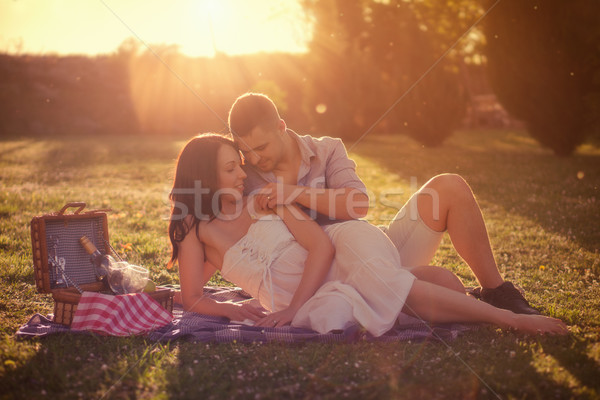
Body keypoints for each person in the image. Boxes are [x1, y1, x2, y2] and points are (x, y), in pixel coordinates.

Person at [167, 133, 567, 336]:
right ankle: (481, 307)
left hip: (342, 254)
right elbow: (193, 294)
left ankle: (508, 317)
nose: (246, 171)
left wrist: (292, 308)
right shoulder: (196, 229)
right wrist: (233, 309)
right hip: (314, 287)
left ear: (281, 130)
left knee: (397, 285)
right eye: (233, 167)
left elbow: (330, 235)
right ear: (204, 176)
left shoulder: (269, 196)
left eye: (244, 163)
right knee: (445, 284)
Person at [228, 92, 540, 315]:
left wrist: (292, 193)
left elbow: (358, 205)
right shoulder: (247, 175)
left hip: (373, 253)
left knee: (450, 187)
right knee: (447, 287)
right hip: (327, 280)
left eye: (261, 147)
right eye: (246, 152)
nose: (255, 159)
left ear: (281, 127)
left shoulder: (326, 150)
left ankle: (496, 291)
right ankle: (433, 296)